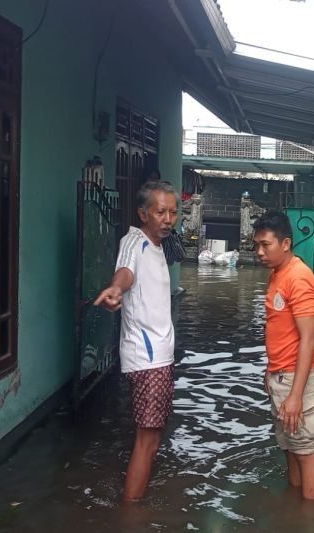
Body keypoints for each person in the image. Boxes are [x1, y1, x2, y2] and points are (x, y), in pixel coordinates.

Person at [94, 180, 178, 502]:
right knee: (147, 441)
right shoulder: (134, 241)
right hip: (148, 359)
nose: (168, 219)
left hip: (160, 357)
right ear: (143, 213)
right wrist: (116, 289)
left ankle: (135, 504)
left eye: (173, 212)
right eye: (160, 212)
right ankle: (131, 514)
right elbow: (125, 273)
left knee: (152, 439)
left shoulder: (157, 246)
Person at [253, 210, 314, 500]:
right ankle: (293, 507)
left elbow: (309, 338)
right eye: (256, 245)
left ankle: (309, 519)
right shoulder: (278, 274)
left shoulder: (298, 278)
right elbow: (280, 331)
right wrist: (271, 372)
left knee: (307, 450)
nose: (259, 252)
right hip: (282, 375)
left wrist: (296, 394)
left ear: (285, 244)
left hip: (301, 379)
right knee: (291, 447)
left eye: (265, 245)